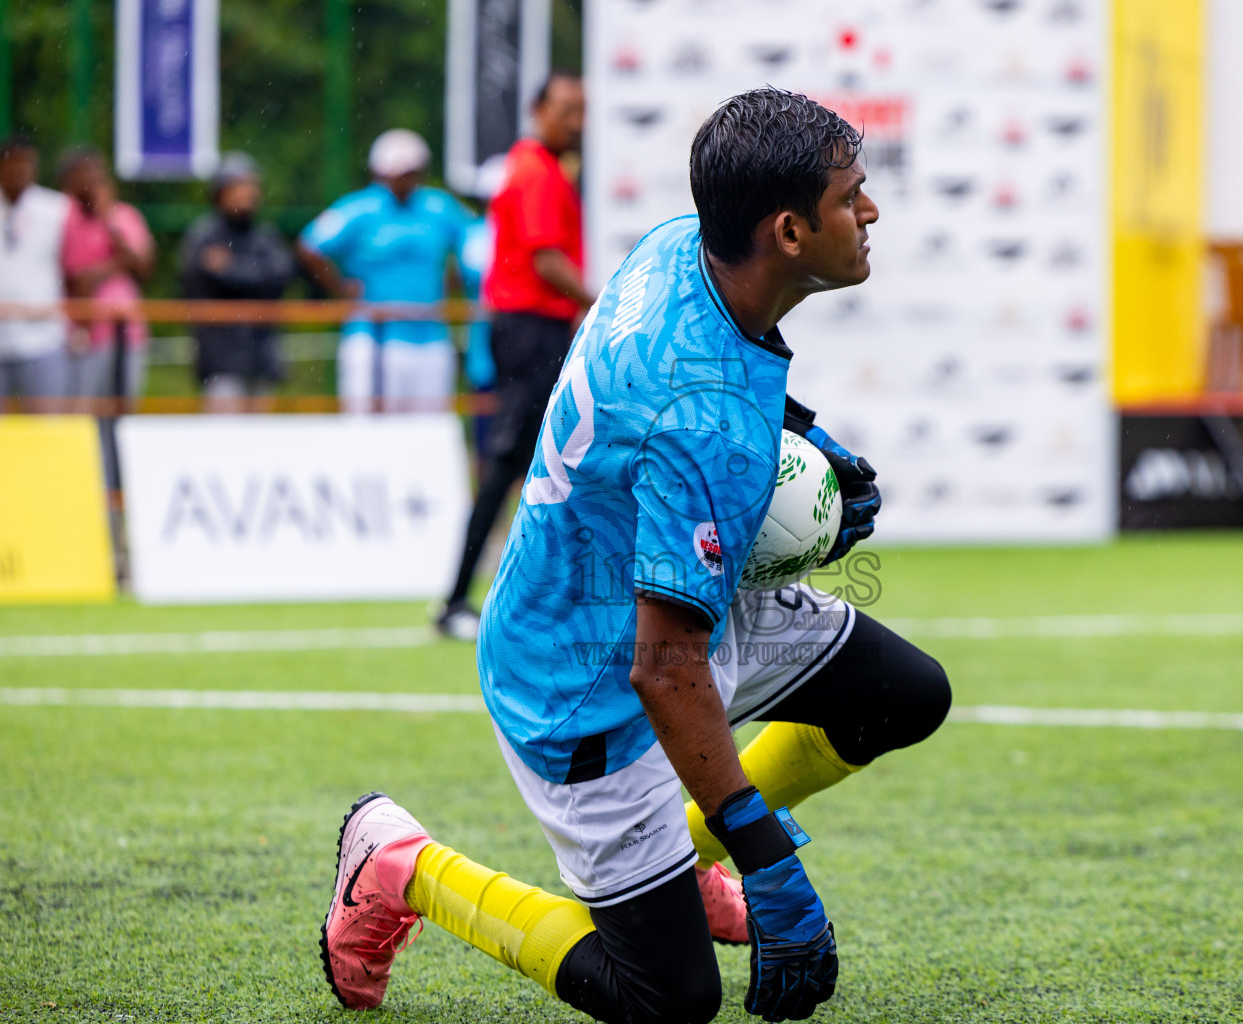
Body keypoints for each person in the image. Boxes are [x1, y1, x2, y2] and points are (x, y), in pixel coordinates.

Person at [320, 88, 950, 1024]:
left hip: (658, 599)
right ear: (786, 232)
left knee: (905, 693)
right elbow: (665, 668)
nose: (871, 210)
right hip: (582, 681)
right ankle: (399, 864)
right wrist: (764, 852)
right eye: (850, 196)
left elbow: (694, 397)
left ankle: (680, 857)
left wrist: (805, 439)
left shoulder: (678, 244)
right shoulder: (702, 428)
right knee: (670, 1000)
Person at [436, 68, 591, 641]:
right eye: (566, 109)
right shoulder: (534, 171)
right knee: (513, 462)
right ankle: (457, 598)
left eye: (581, 109)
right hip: (531, 330)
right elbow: (547, 261)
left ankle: (521, 598)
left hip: (533, 329)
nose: (576, 121)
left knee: (536, 464)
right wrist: (604, 305)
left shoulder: (542, 168)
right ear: (537, 110)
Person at [297, 129, 479, 414]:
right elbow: (310, 245)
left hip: (429, 336)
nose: (403, 180)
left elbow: (477, 241)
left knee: (429, 427)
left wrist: (452, 280)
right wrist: (340, 287)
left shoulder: (438, 206)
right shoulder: (360, 208)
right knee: (370, 427)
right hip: (372, 336)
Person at [0, 136, 72, 413]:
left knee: (46, 429)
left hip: (43, 338)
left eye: (27, 162)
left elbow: (73, 270)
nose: (20, 169)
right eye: (13, 162)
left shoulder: (58, 210)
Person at [178, 152, 295, 411]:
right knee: (224, 433)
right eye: (238, 187)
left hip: (262, 356)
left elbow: (281, 276)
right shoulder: (203, 236)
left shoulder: (265, 235)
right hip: (220, 359)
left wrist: (230, 269)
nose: (247, 194)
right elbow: (196, 283)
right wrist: (252, 275)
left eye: (251, 187)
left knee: (261, 434)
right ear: (220, 193)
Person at [58, 148, 155, 404]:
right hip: (83, 335)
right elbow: (75, 280)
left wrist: (107, 222)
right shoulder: (65, 219)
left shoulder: (125, 216)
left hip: (127, 332)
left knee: (123, 408)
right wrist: (119, 265)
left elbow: (143, 267)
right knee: (83, 411)